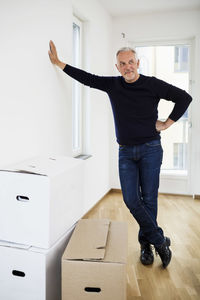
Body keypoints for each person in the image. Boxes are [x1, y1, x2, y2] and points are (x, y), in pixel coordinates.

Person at [48, 41, 192, 268]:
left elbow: (184, 97)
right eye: (122, 64)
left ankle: (146, 246)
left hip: (151, 149)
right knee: (131, 199)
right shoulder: (113, 85)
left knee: (149, 199)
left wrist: (167, 123)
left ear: (138, 63)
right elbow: (87, 78)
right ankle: (159, 240)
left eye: (131, 62)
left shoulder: (151, 84)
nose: (127, 67)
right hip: (125, 152)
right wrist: (58, 63)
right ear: (117, 67)